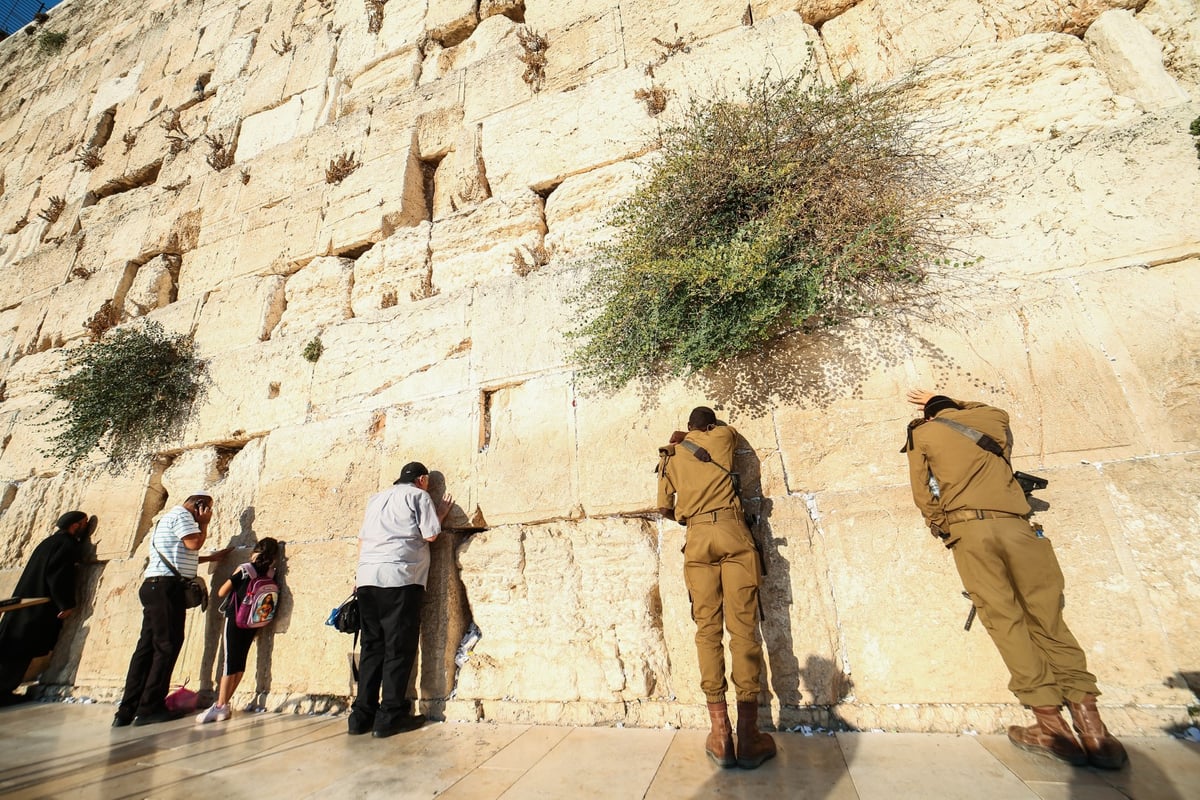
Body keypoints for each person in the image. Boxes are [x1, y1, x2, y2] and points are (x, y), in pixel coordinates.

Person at [902, 388, 1126, 770]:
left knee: (1005, 621)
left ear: (927, 416)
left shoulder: (923, 434)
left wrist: (942, 526)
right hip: (1019, 527)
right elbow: (988, 408)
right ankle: (1093, 730)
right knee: (1050, 619)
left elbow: (923, 493)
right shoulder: (992, 419)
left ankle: (1052, 728)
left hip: (970, 530)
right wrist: (947, 399)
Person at [656, 407, 775, 770]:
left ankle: (720, 734)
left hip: (697, 539)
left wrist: (679, 444)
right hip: (732, 532)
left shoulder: (670, 455)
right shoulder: (723, 437)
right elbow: (729, 430)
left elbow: (664, 506)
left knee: (707, 630)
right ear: (710, 426)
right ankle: (749, 735)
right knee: (743, 630)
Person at [349, 462, 452, 739]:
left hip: (367, 578)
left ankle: (361, 716)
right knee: (398, 647)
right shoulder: (419, 496)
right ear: (422, 479)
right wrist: (440, 514)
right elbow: (430, 534)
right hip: (400, 577)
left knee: (372, 647)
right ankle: (390, 716)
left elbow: (362, 541)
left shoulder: (376, 498)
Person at [113, 491, 231, 727]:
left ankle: (128, 709)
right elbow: (193, 543)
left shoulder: (167, 519)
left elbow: (179, 554)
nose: (208, 513)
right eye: (207, 508)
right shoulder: (185, 517)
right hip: (168, 589)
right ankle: (150, 708)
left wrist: (210, 558)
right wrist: (204, 525)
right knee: (167, 646)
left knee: (146, 649)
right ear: (199, 506)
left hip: (154, 587)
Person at [0, 511, 93, 704]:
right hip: (37, 607)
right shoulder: (67, 545)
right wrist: (65, 604)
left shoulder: (48, 542)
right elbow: (57, 576)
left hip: (23, 605)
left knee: (11, 647)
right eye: (84, 523)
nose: (85, 527)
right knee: (20, 650)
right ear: (74, 526)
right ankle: (3, 693)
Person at [196, 537, 280, 724]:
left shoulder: (244, 569)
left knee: (229, 662)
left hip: (236, 618)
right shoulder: (271, 573)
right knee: (240, 662)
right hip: (254, 621)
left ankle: (220, 706)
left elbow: (222, 592)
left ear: (255, 552)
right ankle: (224, 703)